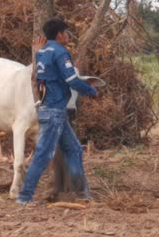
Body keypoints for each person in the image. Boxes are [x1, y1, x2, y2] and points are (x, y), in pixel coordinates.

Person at [17, 18, 98, 204]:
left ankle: (83, 193)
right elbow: (71, 79)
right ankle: (24, 196)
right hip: (55, 111)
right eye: (66, 32)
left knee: (75, 149)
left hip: (48, 109)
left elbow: (36, 77)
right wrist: (90, 90)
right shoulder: (61, 53)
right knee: (43, 155)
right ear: (59, 34)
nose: (68, 36)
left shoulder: (41, 52)